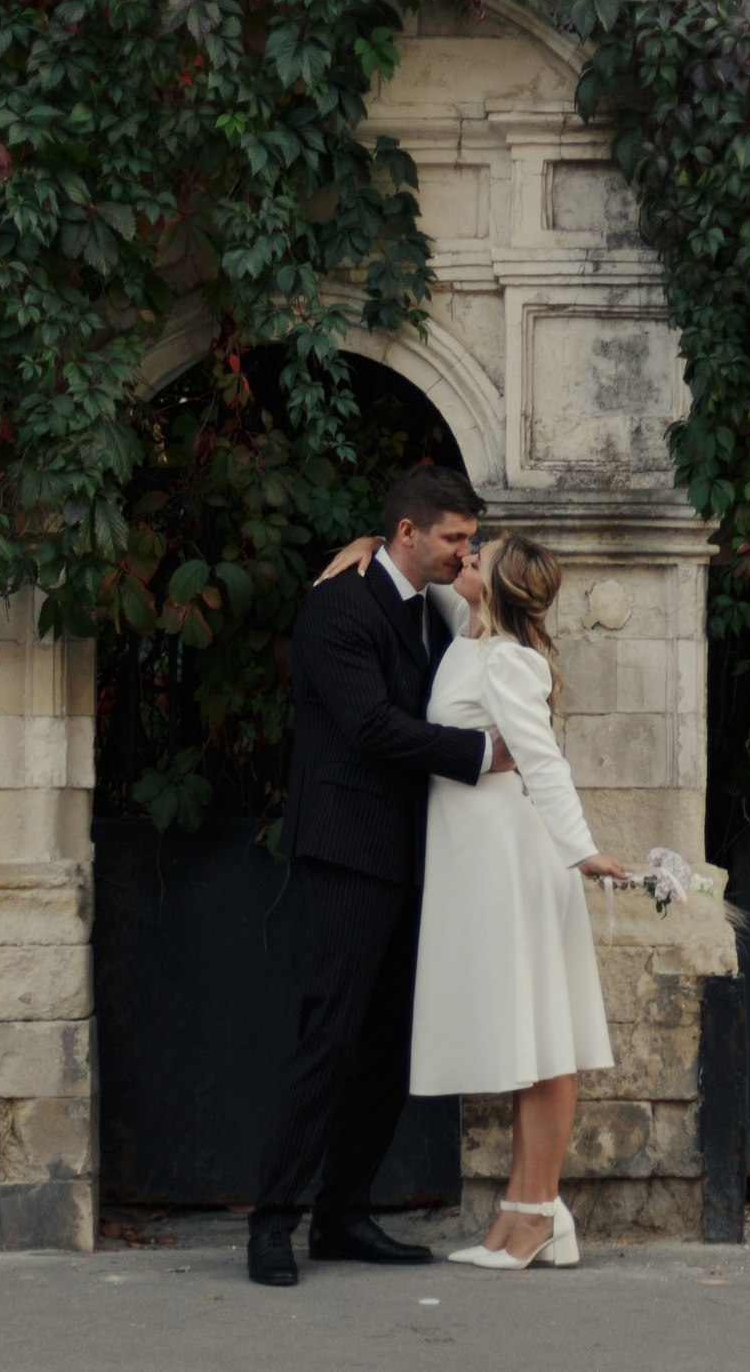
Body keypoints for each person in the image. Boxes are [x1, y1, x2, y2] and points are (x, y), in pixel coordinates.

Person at [315, 530, 627, 1272]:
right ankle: (531, 1212)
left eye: (477, 553)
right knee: (529, 1038)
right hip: (482, 861)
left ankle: (534, 1214)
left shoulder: (511, 662)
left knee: (546, 1040)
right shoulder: (472, 635)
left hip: (516, 860)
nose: (465, 554)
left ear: (499, 584)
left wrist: (582, 849)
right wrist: (362, 547)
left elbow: (543, 760)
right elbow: (429, 583)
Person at [244, 464, 516, 1288]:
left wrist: (453, 575)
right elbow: (367, 725)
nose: (467, 553)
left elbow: (482, 614)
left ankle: (341, 1215)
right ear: (407, 533)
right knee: (329, 1038)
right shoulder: (337, 606)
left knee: (388, 1046)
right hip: (348, 849)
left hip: (413, 852)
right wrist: (480, 754)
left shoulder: (433, 601)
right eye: (453, 538)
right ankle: (271, 1222)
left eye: (471, 540)